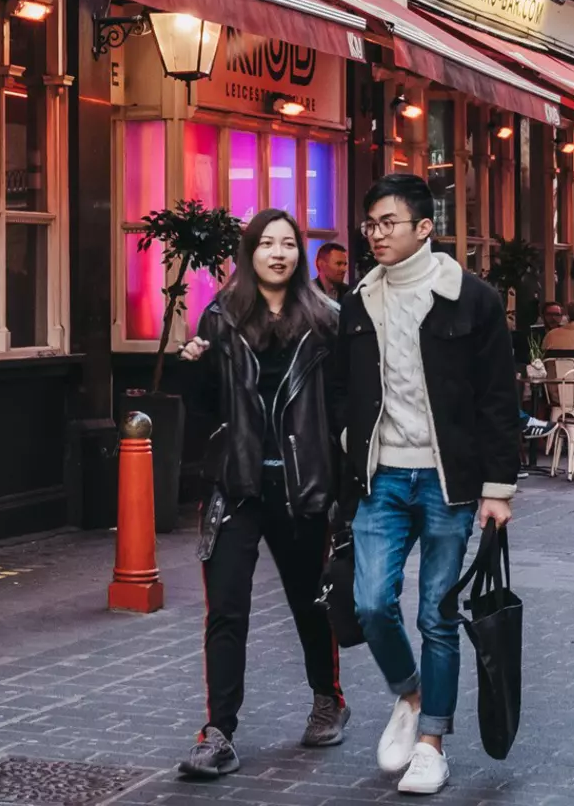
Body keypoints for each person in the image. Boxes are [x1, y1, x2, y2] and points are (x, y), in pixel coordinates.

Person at [338, 174, 516, 796]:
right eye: (370, 224)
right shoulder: (358, 301)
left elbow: (498, 397)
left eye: (389, 223)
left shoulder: (472, 299)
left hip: (450, 481)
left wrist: (499, 489)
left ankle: (431, 744)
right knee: (369, 605)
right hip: (380, 476)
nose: (376, 234)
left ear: (423, 228)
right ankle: (409, 695)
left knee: (437, 614)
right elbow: (345, 393)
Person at [176, 209, 347, 780]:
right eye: (267, 244)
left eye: (289, 244)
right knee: (226, 608)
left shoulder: (326, 319)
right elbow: (203, 409)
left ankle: (328, 699)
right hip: (238, 484)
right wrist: (192, 369)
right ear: (249, 253)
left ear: (300, 255)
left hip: (301, 487)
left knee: (308, 601)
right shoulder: (221, 317)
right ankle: (219, 732)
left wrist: (342, 482)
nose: (278, 253)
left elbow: (344, 404)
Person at [313, 241, 350, 308]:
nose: (344, 269)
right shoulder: (308, 292)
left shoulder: (350, 294)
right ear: (321, 264)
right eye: (338, 264)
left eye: (345, 264)